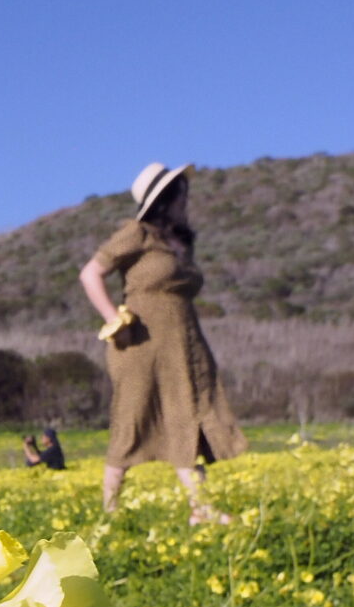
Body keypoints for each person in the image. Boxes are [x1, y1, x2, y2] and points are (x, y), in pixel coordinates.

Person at [78, 163, 242, 524]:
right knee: (132, 418)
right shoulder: (136, 233)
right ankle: (110, 511)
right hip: (140, 345)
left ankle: (201, 508)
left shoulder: (178, 243)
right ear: (166, 199)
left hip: (183, 343)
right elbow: (90, 273)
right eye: (182, 193)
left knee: (189, 414)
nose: (187, 199)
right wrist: (112, 318)